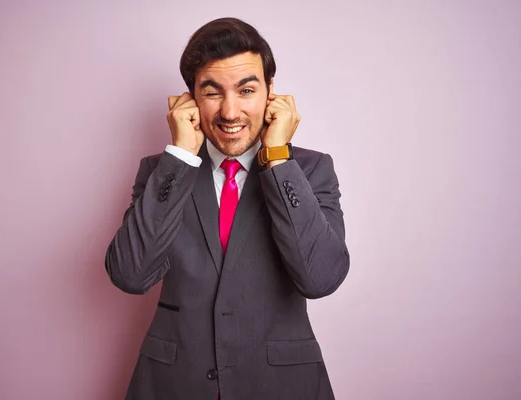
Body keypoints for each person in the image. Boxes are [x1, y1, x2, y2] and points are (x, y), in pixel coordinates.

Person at [105, 17, 350, 400]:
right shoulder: (161, 171)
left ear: (271, 93)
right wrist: (181, 156)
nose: (231, 112)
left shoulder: (311, 169)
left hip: (283, 387)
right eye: (213, 92)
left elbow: (320, 279)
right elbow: (131, 275)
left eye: (246, 89)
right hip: (173, 386)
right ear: (191, 99)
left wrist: (278, 159)